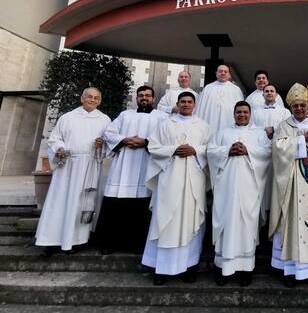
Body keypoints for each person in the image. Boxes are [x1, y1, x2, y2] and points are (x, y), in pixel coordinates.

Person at [142, 92, 211, 285]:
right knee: (166, 220)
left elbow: (210, 149)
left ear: (195, 104)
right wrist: (173, 150)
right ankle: (162, 269)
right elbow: (153, 147)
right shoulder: (166, 124)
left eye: (190, 102)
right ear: (178, 104)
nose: (186, 104)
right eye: (183, 102)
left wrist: (195, 150)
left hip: (193, 180)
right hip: (169, 179)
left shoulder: (203, 126)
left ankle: (189, 266)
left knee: (190, 222)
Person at [269, 83, 308, 287]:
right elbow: (277, 151)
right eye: (296, 106)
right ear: (290, 108)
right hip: (292, 185)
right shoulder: (284, 126)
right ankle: (290, 271)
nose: (299, 109)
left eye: (303, 106)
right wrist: (301, 139)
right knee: (291, 223)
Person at [35, 88, 110, 255]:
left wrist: (101, 145)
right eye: (89, 97)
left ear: (100, 101)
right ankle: (51, 240)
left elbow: (109, 142)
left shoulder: (104, 120)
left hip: (90, 165)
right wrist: (60, 149)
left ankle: (77, 241)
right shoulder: (67, 117)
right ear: (82, 98)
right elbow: (55, 138)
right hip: (67, 165)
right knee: (60, 202)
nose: (92, 100)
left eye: (96, 98)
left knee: (82, 203)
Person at [95, 85, 167, 254]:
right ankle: (110, 243)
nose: (144, 98)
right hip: (123, 167)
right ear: (136, 98)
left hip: (146, 164)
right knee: (116, 203)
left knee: (143, 202)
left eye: (148, 95)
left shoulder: (162, 117)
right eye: (141, 95)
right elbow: (109, 133)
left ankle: (138, 245)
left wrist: (146, 142)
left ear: (153, 99)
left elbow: (165, 137)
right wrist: (125, 139)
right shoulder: (124, 115)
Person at [207, 101, 272, 286]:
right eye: (238, 112)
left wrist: (247, 150)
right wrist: (228, 150)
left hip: (249, 188)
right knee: (227, 223)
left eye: (245, 112)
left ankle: (245, 269)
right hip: (226, 188)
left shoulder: (259, 133)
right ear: (233, 114)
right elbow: (210, 151)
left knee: (246, 223)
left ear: (250, 114)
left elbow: (268, 151)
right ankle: (223, 268)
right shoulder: (223, 132)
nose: (242, 115)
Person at [251, 84, 291, 225]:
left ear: (276, 94)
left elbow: (288, 129)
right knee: (262, 183)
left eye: (272, 91)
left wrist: (275, 130)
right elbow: (251, 129)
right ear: (262, 94)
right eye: (266, 91)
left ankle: (277, 217)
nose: (269, 93)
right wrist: (264, 130)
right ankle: (261, 219)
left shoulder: (285, 112)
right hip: (260, 153)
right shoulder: (254, 112)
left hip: (279, 152)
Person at [197, 64, 244, 132]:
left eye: (225, 72)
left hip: (228, 122)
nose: (223, 73)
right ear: (216, 73)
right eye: (220, 71)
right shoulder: (208, 88)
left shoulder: (236, 89)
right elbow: (201, 108)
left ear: (229, 75)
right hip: (210, 121)